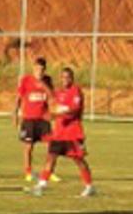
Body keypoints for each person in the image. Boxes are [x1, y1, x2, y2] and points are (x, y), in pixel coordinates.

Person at [33, 65, 94, 197]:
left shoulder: (76, 91)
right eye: (62, 77)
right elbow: (53, 101)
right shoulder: (59, 92)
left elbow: (74, 111)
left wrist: (56, 115)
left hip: (73, 133)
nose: (65, 79)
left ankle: (89, 186)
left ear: (72, 78)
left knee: (79, 160)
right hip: (59, 133)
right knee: (50, 157)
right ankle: (42, 184)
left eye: (67, 77)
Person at [15, 56, 53, 186]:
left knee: (50, 146)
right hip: (29, 119)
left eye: (42, 69)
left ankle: (48, 172)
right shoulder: (26, 80)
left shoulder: (47, 80)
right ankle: (28, 171)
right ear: (33, 68)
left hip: (43, 118)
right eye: (37, 68)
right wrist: (15, 113)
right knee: (28, 147)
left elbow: (51, 96)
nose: (39, 71)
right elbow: (19, 97)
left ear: (45, 70)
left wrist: (42, 84)